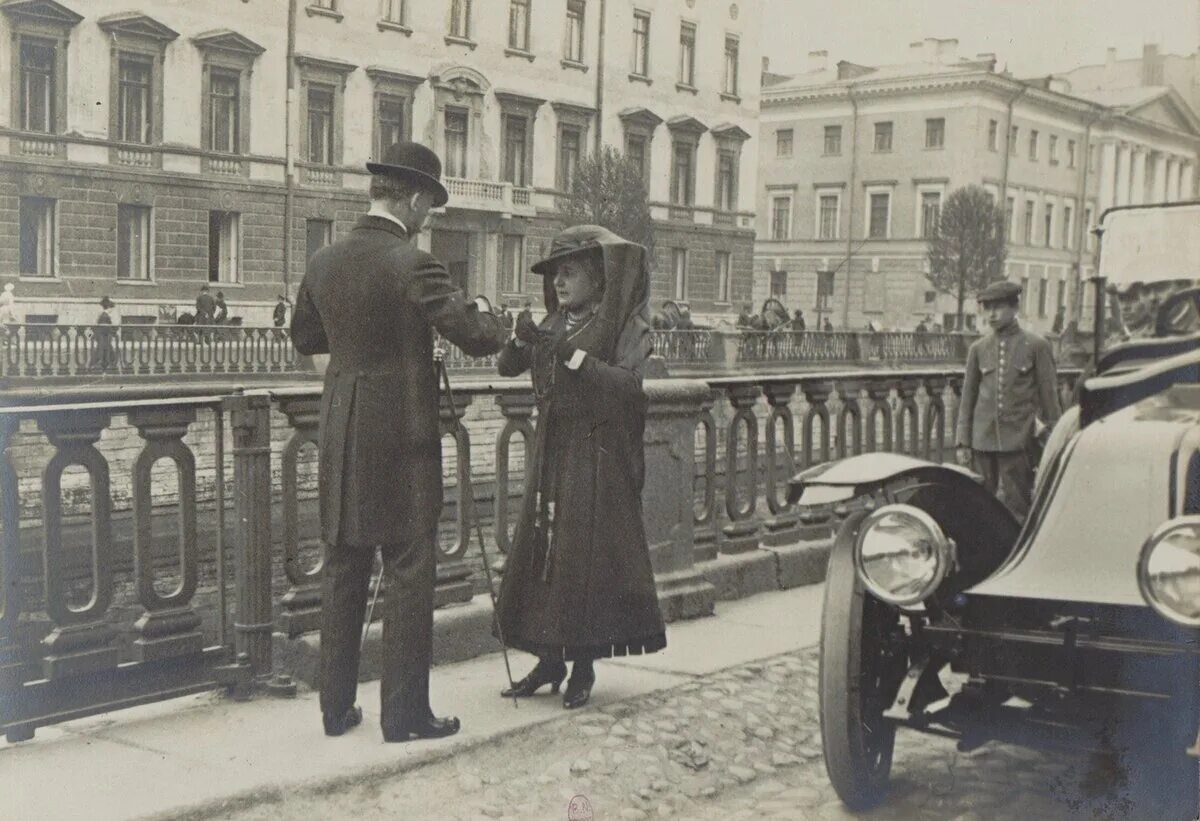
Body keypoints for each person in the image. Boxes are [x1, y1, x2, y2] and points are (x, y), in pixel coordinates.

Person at [291, 141, 508, 742]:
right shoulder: (414, 264)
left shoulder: (325, 260)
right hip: (404, 438)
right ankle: (405, 716)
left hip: (341, 432)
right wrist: (492, 315)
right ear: (412, 200)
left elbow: (308, 339)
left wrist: (351, 381)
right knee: (410, 568)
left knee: (343, 565)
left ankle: (335, 711)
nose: (427, 219)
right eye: (429, 209)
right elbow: (477, 336)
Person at [494, 225, 666, 711]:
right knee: (543, 552)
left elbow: (629, 389)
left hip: (596, 457)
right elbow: (507, 369)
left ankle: (583, 666)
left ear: (597, 277)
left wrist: (571, 356)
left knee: (583, 559)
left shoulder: (627, 328)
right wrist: (518, 339)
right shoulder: (552, 321)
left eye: (570, 273)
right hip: (553, 450)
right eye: (556, 275)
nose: (561, 283)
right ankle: (549, 661)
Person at [955, 281, 1061, 520]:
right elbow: (968, 398)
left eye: (998, 307)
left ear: (1014, 308)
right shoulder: (978, 349)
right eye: (987, 307)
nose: (991, 314)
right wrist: (963, 441)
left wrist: (1055, 438)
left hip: (1018, 441)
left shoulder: (1037, 346)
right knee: (980, 505)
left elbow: (1049, 398)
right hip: (982, 440)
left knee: (1018, 505)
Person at [92, 296, 118, 372]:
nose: (112, 310)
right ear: (108, 308)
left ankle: (102, 367)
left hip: (104, 338)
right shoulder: (105, 316)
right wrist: (113, 330)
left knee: (104, 353)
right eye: (111, 308)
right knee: (103, 353)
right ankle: (100, 368)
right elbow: (104, 328)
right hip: (104, 337)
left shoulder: (103, 315)